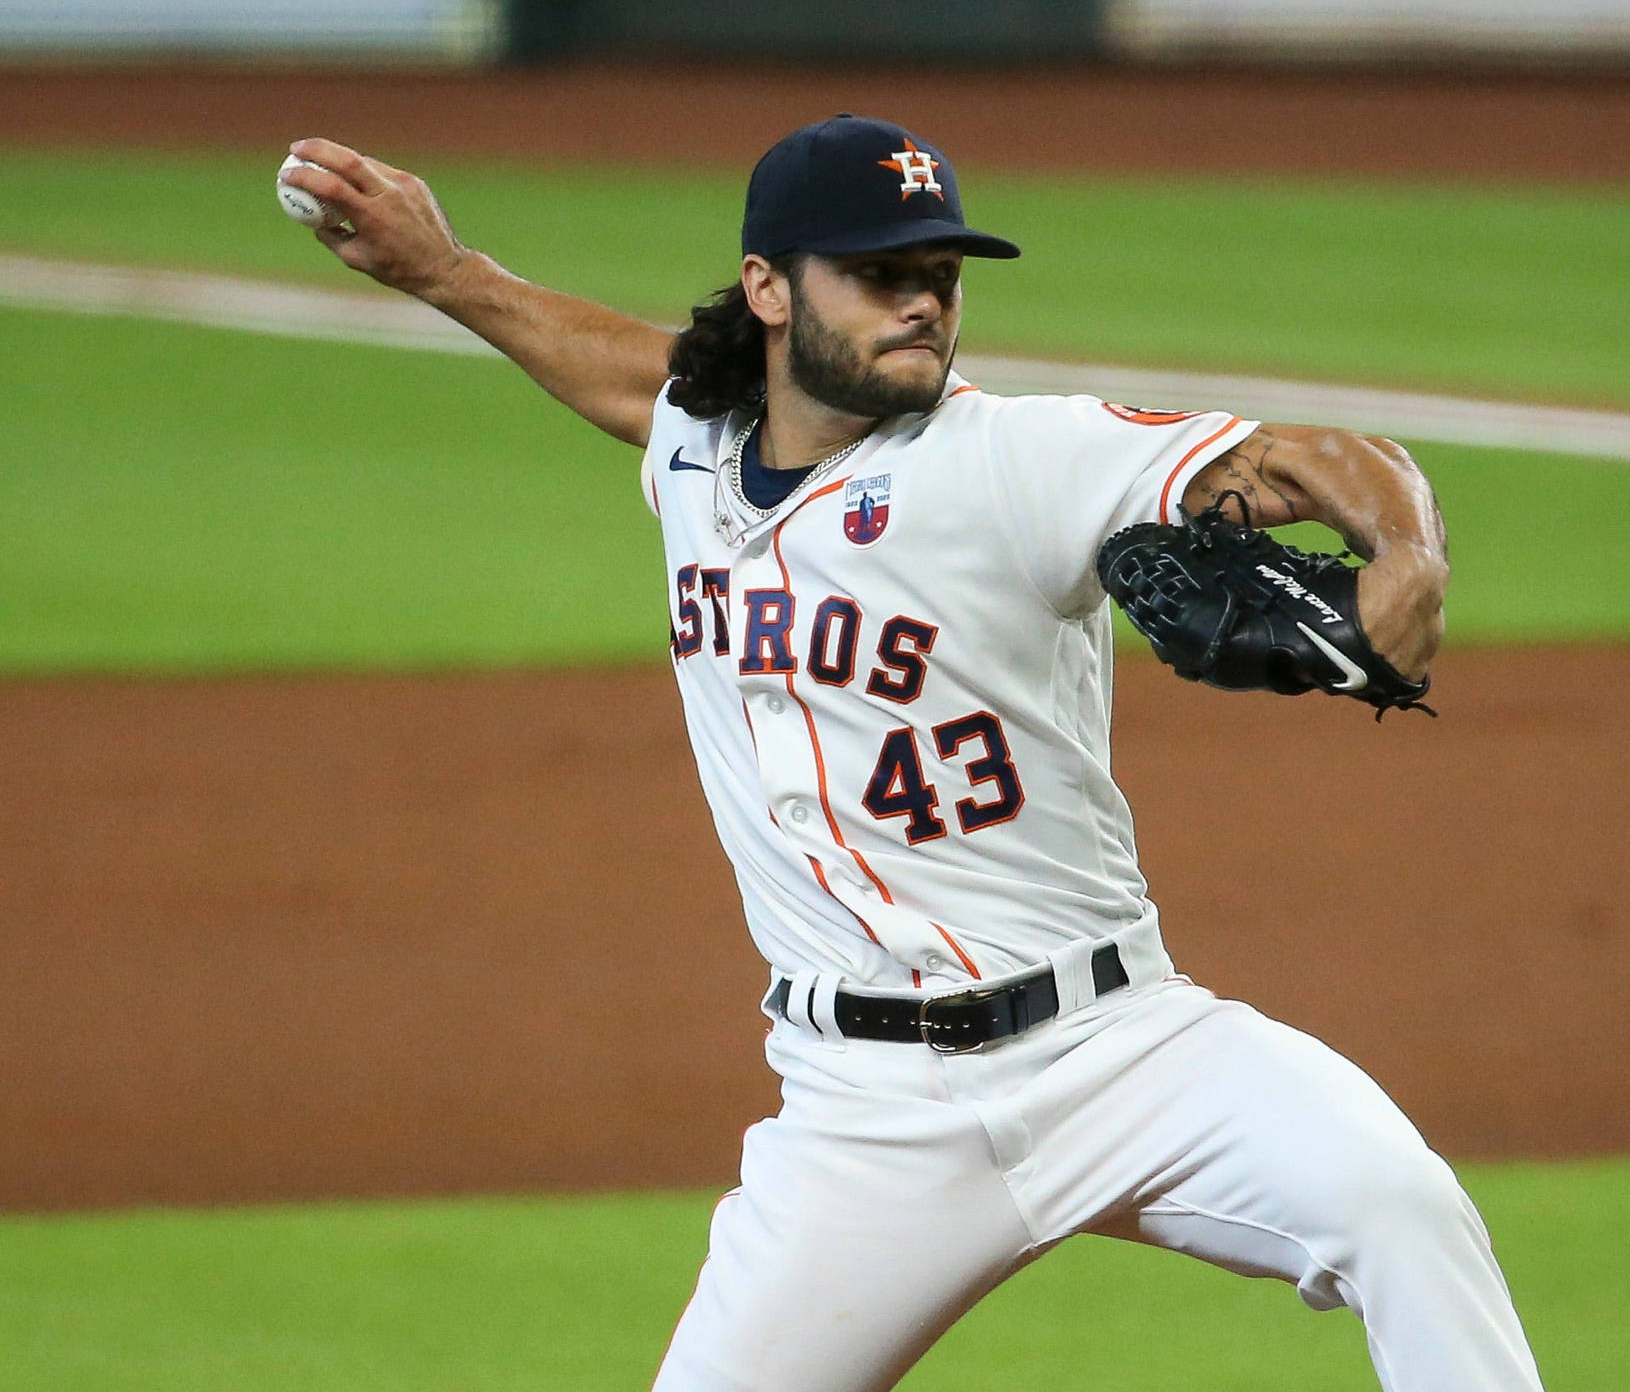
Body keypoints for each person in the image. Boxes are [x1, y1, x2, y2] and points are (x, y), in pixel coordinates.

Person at [283, 114, 1543, 1392]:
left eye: (939, 275)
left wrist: (1408, 555)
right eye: (881, 275)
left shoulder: (1018, 457)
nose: (924, 303)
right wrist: (442, 272)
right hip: (862, 1114)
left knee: (1400, 1205)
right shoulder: (698, 445)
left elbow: (1309, 459)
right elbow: (631, 378)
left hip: (1123, 1049)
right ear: (770, 290)